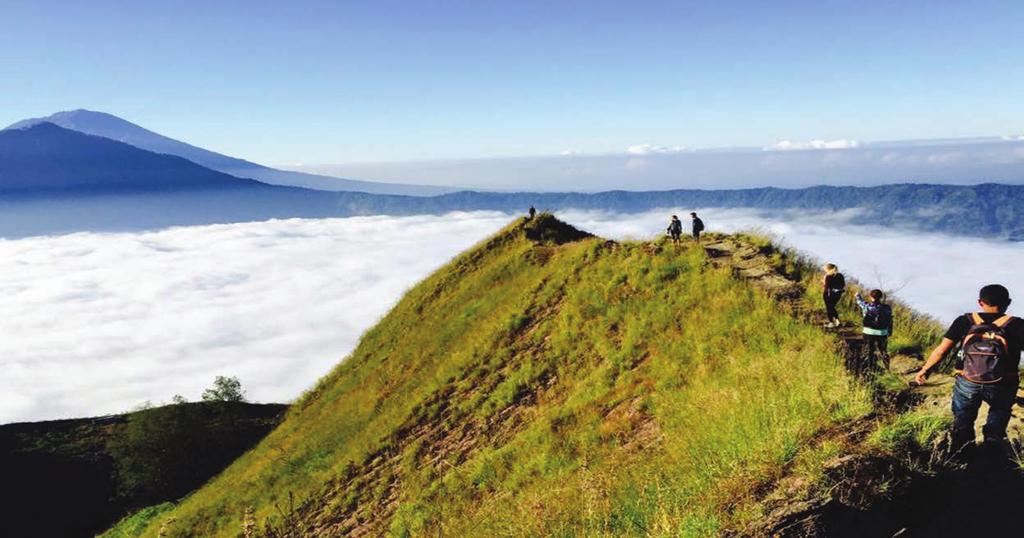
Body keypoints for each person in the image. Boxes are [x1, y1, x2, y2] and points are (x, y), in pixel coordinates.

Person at [915, 284, 1024, 457]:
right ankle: (992, 450)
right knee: (998, 414)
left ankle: (963, 452)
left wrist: (925, 369)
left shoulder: (964, 321)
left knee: (963, 419)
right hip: (1003, 383)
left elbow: (942, 350)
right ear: (1008, 302)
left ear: (980, 302)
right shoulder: (1017, 324)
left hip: (967, 380)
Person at [856, 289, 893, 369]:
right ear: (881, 297)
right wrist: (889, 331)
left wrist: (857, 296)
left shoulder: (867, 306)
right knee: (883, 351)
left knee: (868, 350)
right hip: (882, 332)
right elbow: (890, 320)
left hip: (868, 331)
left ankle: (868, 368)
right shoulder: (887, 308)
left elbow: (860, 302)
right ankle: (887, 368)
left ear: (870, 296)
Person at [822, 263, 846, 328]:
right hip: (838, 294)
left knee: (829, 308)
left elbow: (827, 286)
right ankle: (837, 321)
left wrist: (824, 282)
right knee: (832, 307)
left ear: (828, 269)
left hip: (828, 294)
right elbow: (843, 285)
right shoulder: (840, 275)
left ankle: (831, 322)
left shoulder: (828, 276)